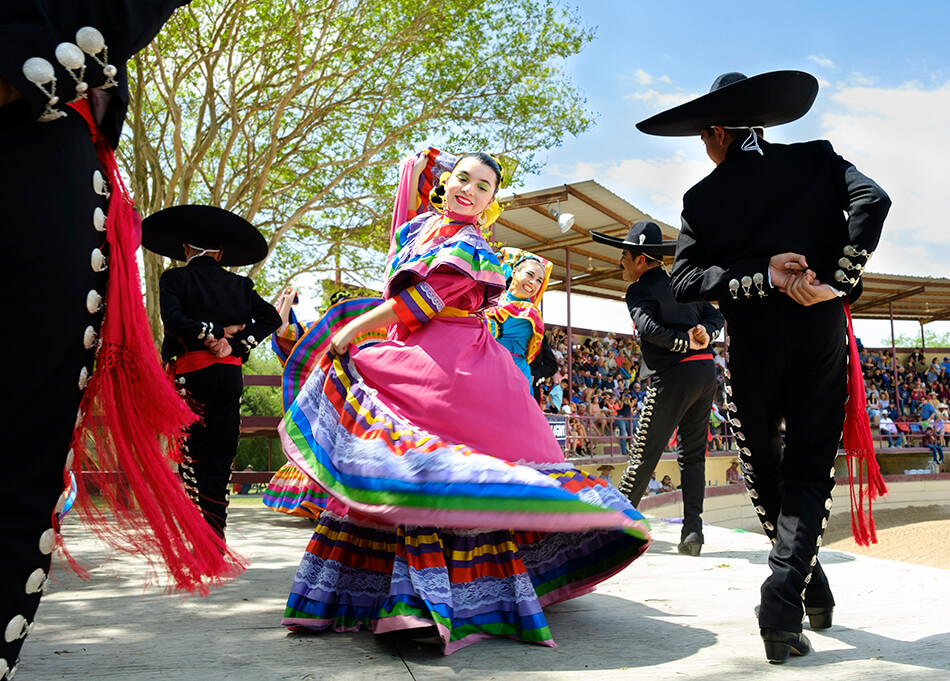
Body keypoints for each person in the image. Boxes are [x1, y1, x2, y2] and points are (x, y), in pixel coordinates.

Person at [277, 150, 651, 653]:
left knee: (431, 470)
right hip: (413, 355)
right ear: (443, 183)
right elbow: (406, 217)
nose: (469, 190)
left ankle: (422, 609)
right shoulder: (420, 230)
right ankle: (390, 601)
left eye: (483, 186)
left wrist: (354, 328)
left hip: (453, 365)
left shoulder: (470, 245)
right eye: (461, 178)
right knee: (404, 467)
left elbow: (422, 301)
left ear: (492, 202)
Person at [1, 3, 244, 675]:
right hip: (195, 369)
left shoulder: (236, 286)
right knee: (194, 459)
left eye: (210, 243)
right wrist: (211, 335)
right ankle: (209, 524)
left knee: (216, 458)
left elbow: (261, 321)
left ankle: (215, 531)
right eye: (199, 241)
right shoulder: (182, 281)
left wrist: (241, 335)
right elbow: (174, 317)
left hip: (224, 374)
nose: (204, 248)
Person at [639, 69, 890, 663]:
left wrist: (756, 279)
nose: (705, 146)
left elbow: (685, 278)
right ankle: (805, 592)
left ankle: (783, 604)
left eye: (704, 136)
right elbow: (873, 199)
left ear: (719, 132)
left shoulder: (702, 198)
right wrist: (835, 279)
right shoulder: (817, 158)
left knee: (766, 472)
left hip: (753, 346)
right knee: (805, 473)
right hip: (819, 335)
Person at [142, 205, 282, 540]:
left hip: (192, 376)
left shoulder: (175, 278)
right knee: (220, 455)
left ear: (186, 249)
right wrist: (231, 342)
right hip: (229, 377)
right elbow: (273, 318)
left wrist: (209, 334)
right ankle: (214, 536)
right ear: (220, 253)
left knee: (192, 454)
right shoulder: (240, 285)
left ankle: (196, 536)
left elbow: (174, 320)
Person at [591, 220, 724, 557]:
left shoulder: (639, 290)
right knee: (693, 456)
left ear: (639, 258)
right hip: (706, 374)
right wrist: (704, 336)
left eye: (624, 255)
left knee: (643, 457)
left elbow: (648, 329)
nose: (620, 261)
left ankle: (617, 533)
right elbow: (716, 317)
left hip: (673, 375)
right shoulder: (685, 279)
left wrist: (684, 344)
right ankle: (693, 532)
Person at [485, 247, 553, 389]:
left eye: (539, 280)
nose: (533, 282)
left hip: (512, 375)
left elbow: (485, 328)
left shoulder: (528, 313)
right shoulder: (499, 297)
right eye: (530, 274)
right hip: (489, 367)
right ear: (514, 272)